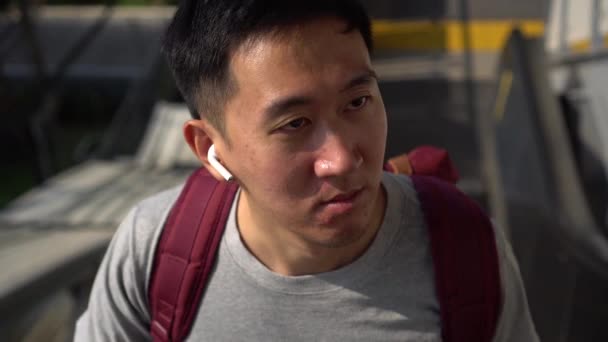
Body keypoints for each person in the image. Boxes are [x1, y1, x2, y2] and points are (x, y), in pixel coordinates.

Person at [74, 1, 539, 341]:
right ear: (210, 147)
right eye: (294, 124)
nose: (341, 160)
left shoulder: (466, 251)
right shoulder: (154, 251)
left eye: (357, 102)